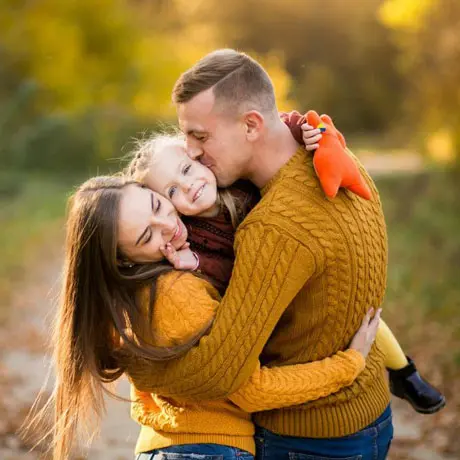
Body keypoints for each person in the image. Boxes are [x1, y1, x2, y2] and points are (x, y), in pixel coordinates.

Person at [117, 49, 397, 460]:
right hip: (369, 413)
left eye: (201, 136)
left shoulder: (272, 227)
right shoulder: (332, 156)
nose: (191, 152)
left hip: (308, 437)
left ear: (251, 125)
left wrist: (134, 363)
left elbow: (223, 374)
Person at [35, 174, 379, 460]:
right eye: (147, 236)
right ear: (124, 259)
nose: (168, 226)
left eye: (157, 206)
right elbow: (250, 389)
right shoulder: (174, 293)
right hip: (209, 448)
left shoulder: (126, 296)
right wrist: (347, 365)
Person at [126, 129, 445, 416]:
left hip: (297, 270)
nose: (188, 187)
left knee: (362, 311)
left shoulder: (238, 182)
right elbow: (229, 281)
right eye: (171, 192)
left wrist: (300, 128)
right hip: (263, 300)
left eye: (186, 170)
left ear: (198, 158)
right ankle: (328, 380)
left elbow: (265, 130)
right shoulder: (192, 238)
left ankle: (405, 373)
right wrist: (193, 264)